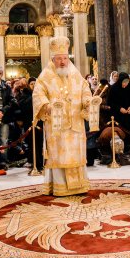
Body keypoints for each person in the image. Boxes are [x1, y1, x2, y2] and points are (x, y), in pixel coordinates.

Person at [33, 36, 93, 196]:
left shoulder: (75, 73)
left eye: (65, 58)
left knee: (76, 154)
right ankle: (60, 187)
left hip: (75, 123)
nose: (62, 62)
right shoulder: (45, 76)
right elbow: (38, 94)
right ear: (53, 59)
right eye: (59, 58)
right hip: (57, 125)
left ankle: (80, 186)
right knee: (59, 155)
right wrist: (47, 106)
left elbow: (85, 90)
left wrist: (87, 101)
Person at [18, 77, 44, 171]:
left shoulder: (41, 94)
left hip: (40, 123)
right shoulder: (25, 94)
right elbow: (22, 107)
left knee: (40, 143)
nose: (34, 85)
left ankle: (40, 162)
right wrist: (33, 97)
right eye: (32, 84)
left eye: (35, 83)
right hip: (29, 123)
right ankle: (35, 163)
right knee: (32, 143)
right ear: (29, 85)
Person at [107, 72, 130, 141]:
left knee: (128, 131)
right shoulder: (114, 88)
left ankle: (129, 144)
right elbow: (110, 102)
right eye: (124, 82)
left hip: (127, 114)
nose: (125, 84)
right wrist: (119, 108)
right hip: (117, 115)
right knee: (119, 132)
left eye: (127, 82)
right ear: (120, 81)